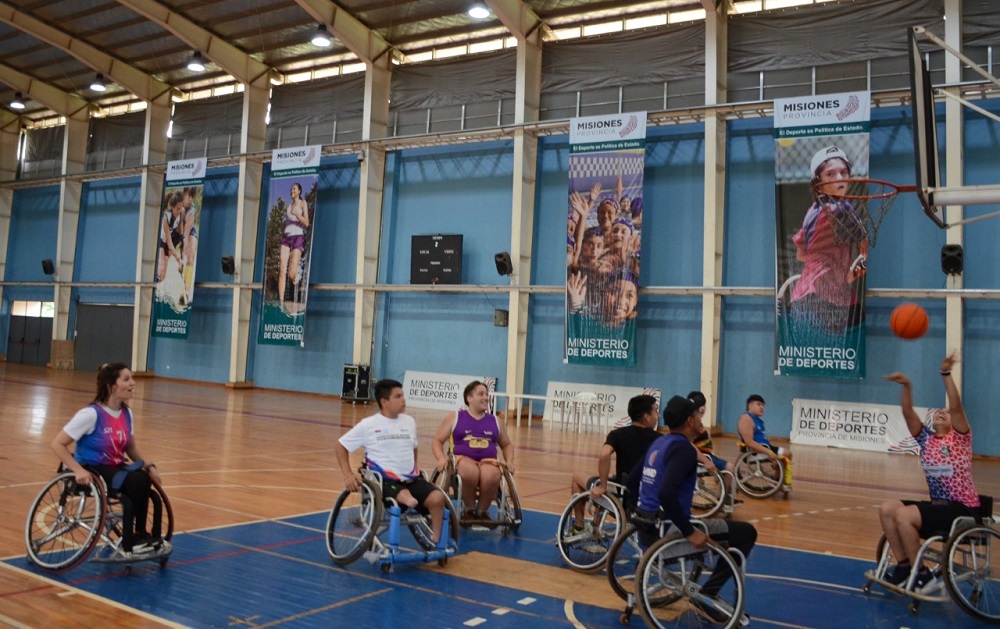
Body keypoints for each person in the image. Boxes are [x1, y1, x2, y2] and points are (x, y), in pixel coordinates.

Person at [630, 395, 757, 623]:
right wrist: (689, 531)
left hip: (647, 533)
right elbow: (666, 492)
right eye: (699, 415)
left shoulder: (658, 443)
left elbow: (631, 482)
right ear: (690, 420)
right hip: (670, 536)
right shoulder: (684, 450)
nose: (702, 419)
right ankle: (708, 593)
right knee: (747, 533)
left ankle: (708, 590)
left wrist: (641, 514)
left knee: (723, 529)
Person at [879, 353, 981, 591]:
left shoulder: (960, 438)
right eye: (938, 411)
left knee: (904, 516)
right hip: (937, 507)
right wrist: (907, 385)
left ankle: (922, 574)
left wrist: (945, 373)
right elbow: (907, 413)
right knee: (887, 509)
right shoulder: (926, 439)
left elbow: (956, 407)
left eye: (945, 413)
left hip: (961, 509)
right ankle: (905, 566)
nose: (941, 412)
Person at [50, 363, 164, 556]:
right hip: (92, 467)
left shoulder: (127, 413)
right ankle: (132, 538)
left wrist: (149, 466)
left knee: (144, 478)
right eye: (126, 379)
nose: (132, 383)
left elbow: (131, 447)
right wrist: (78, 470)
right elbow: (57, 444)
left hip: (115, 466)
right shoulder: (90, 414)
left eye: (131, 379)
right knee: (136, 481)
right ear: (112, 386)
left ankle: (142, 534)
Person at [336, 379, 447, 545]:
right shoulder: (368, 425)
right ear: (384, 402)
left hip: (410, 479)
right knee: (402, 494)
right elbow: (340, 446)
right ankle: (408, 499)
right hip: (382, 480)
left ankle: (436, 538)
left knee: (438, 498)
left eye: (403, 395)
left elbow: (413, 446)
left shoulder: (409, 421)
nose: (403, 399)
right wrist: (348, 475)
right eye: (398, 396)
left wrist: (413, 466)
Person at [789, 145, 868, 333]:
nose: (839, 178)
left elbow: (801, 255)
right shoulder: (841, 208)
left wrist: (828, 268)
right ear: (818, 182)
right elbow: (864, 247)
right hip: (823, 299)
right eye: (831, 174)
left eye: (843, 172)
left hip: (803, 297)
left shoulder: (811, 212)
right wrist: (853, 271)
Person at [567, 394, 660, 531]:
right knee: (609, 479)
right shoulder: (660, 439)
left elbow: (604, 454)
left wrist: (603, 485)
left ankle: (579, 527)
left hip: (622, 496)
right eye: (655, 411)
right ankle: (595, 526)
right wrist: (704, 461)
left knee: (578, 477)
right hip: (647, 497)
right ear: (646, 416)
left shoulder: (618, 434)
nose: (657, 415)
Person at [432, 381, 515, 520]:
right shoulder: (455, 417)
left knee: (491, 475)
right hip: (462, 459)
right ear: (469, 398)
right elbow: (437, 441)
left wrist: (510, 461)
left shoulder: (496, 421)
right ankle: (469, 509)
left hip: (488, 461)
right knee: (469, 471)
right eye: (481, 394)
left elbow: (506, 444)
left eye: (486, 394)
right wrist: (441, 458)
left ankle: (482, 512)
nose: (485, 397)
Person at [737, 393, 793, 490]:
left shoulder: (757, 420)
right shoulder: (746, 419)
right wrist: (769, 452)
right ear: (750, 405)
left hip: (765, 447)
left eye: (763, 405)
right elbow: (749, 442)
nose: (762, 407)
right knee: (785, 455)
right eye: (758, 404)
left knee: (788, 453)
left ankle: (778, 479)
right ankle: (778, 480)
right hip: (755, 452)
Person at [277, 182, 310, 308]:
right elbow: (287, 222)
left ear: (299, 191)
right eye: (291, 189)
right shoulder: (288, 206)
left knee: (291, 274)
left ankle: (296, 276)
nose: (292, 191)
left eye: (294, 189)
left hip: (297, 237)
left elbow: (306, 223)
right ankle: (281, 302)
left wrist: (297, 214)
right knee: (281, 270)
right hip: (286, 237)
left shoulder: (303, 203)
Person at [689, 391, 728, 473]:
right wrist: (706, 461)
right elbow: (689, 445)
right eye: (701, 406)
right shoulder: (693, 425)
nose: (703, 408)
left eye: (704, 405)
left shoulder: (696, 422)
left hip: (707, 456)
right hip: (703, 458)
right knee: (730, 468)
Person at [155, 191, 185, 283]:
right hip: (162, 241)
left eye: (180, 208)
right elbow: (169, 242)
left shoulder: (182, 211)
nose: (179, 210)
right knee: (160, 273)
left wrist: (181, 244)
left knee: (163, 276)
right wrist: (178, 259)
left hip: (172, 239)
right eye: (177, 209)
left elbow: (180, 232)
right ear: (172, 207)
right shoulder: (166, 218)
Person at [180, 187, 199, 306]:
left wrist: (185, 248)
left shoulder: (192, 210)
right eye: (188, 196)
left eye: (192, 197)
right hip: (175, 232)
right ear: (183, 195)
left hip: (189, 232)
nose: (190, 199)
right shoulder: (176, 205)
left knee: (191, 256)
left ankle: (185, 293)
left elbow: (187, 231)